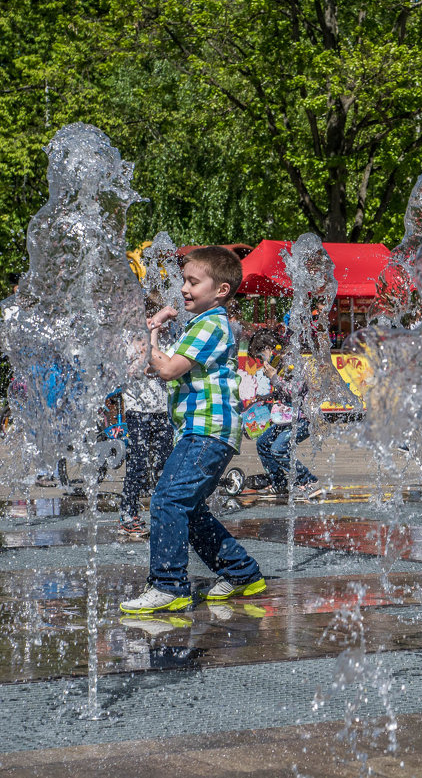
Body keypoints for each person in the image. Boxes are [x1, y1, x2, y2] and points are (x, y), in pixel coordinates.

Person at [120, 246, 265, 614]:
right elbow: (167, 365)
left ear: (221, 290)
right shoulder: (205, 323)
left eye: (193, 282)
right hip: (205, 431)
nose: (184, 288)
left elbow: (167, 369)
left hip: (207, 430)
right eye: (184, 280)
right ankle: (240, 572)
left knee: (167, 500)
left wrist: (151, 334)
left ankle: (169, 585)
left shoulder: (211, 324)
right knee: (189, 508)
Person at [118, 294, 174, 536]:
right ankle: (127, 514)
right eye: (149, 318)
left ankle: (162, 513)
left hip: (162, 410)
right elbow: (143, 365)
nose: (155, 323)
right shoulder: (127, 341)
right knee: (137, 464)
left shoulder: (168, 339)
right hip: (137, 410)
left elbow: (167, 369)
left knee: (164, 464)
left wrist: (156, 334)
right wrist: (151, 333)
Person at [247, 330, 319, 496]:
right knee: (263, 443)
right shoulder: (278, 362)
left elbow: (296, 391)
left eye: (259, 356)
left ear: (268, 349)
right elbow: (283, 393)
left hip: (303, 418)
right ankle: (279, 482)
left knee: (279, 449)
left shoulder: (291, 362)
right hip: (286, 419)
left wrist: (273, 377)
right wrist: (266, 397)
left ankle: (308, 480)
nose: (259, 361)